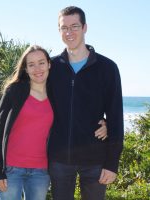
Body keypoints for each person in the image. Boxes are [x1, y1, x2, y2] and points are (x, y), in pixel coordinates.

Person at [0, 45, 107, 200]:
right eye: (31, 64)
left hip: (40, 171)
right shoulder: (15, 91)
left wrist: (105, 122)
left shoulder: (57, 92)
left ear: (49, 64)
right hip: (11, 169)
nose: (37, 68)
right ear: (25, 68)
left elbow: (77, 114)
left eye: (41, 63)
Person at [47, 6, 124, 200]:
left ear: (85, 28)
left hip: (95, 160)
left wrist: (111, 164)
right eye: (64, 28)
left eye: (74, 26)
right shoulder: (51, 67)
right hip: (59, 159)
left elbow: (116, 116)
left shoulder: (107, 68)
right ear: (59, 31)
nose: (69, 32)